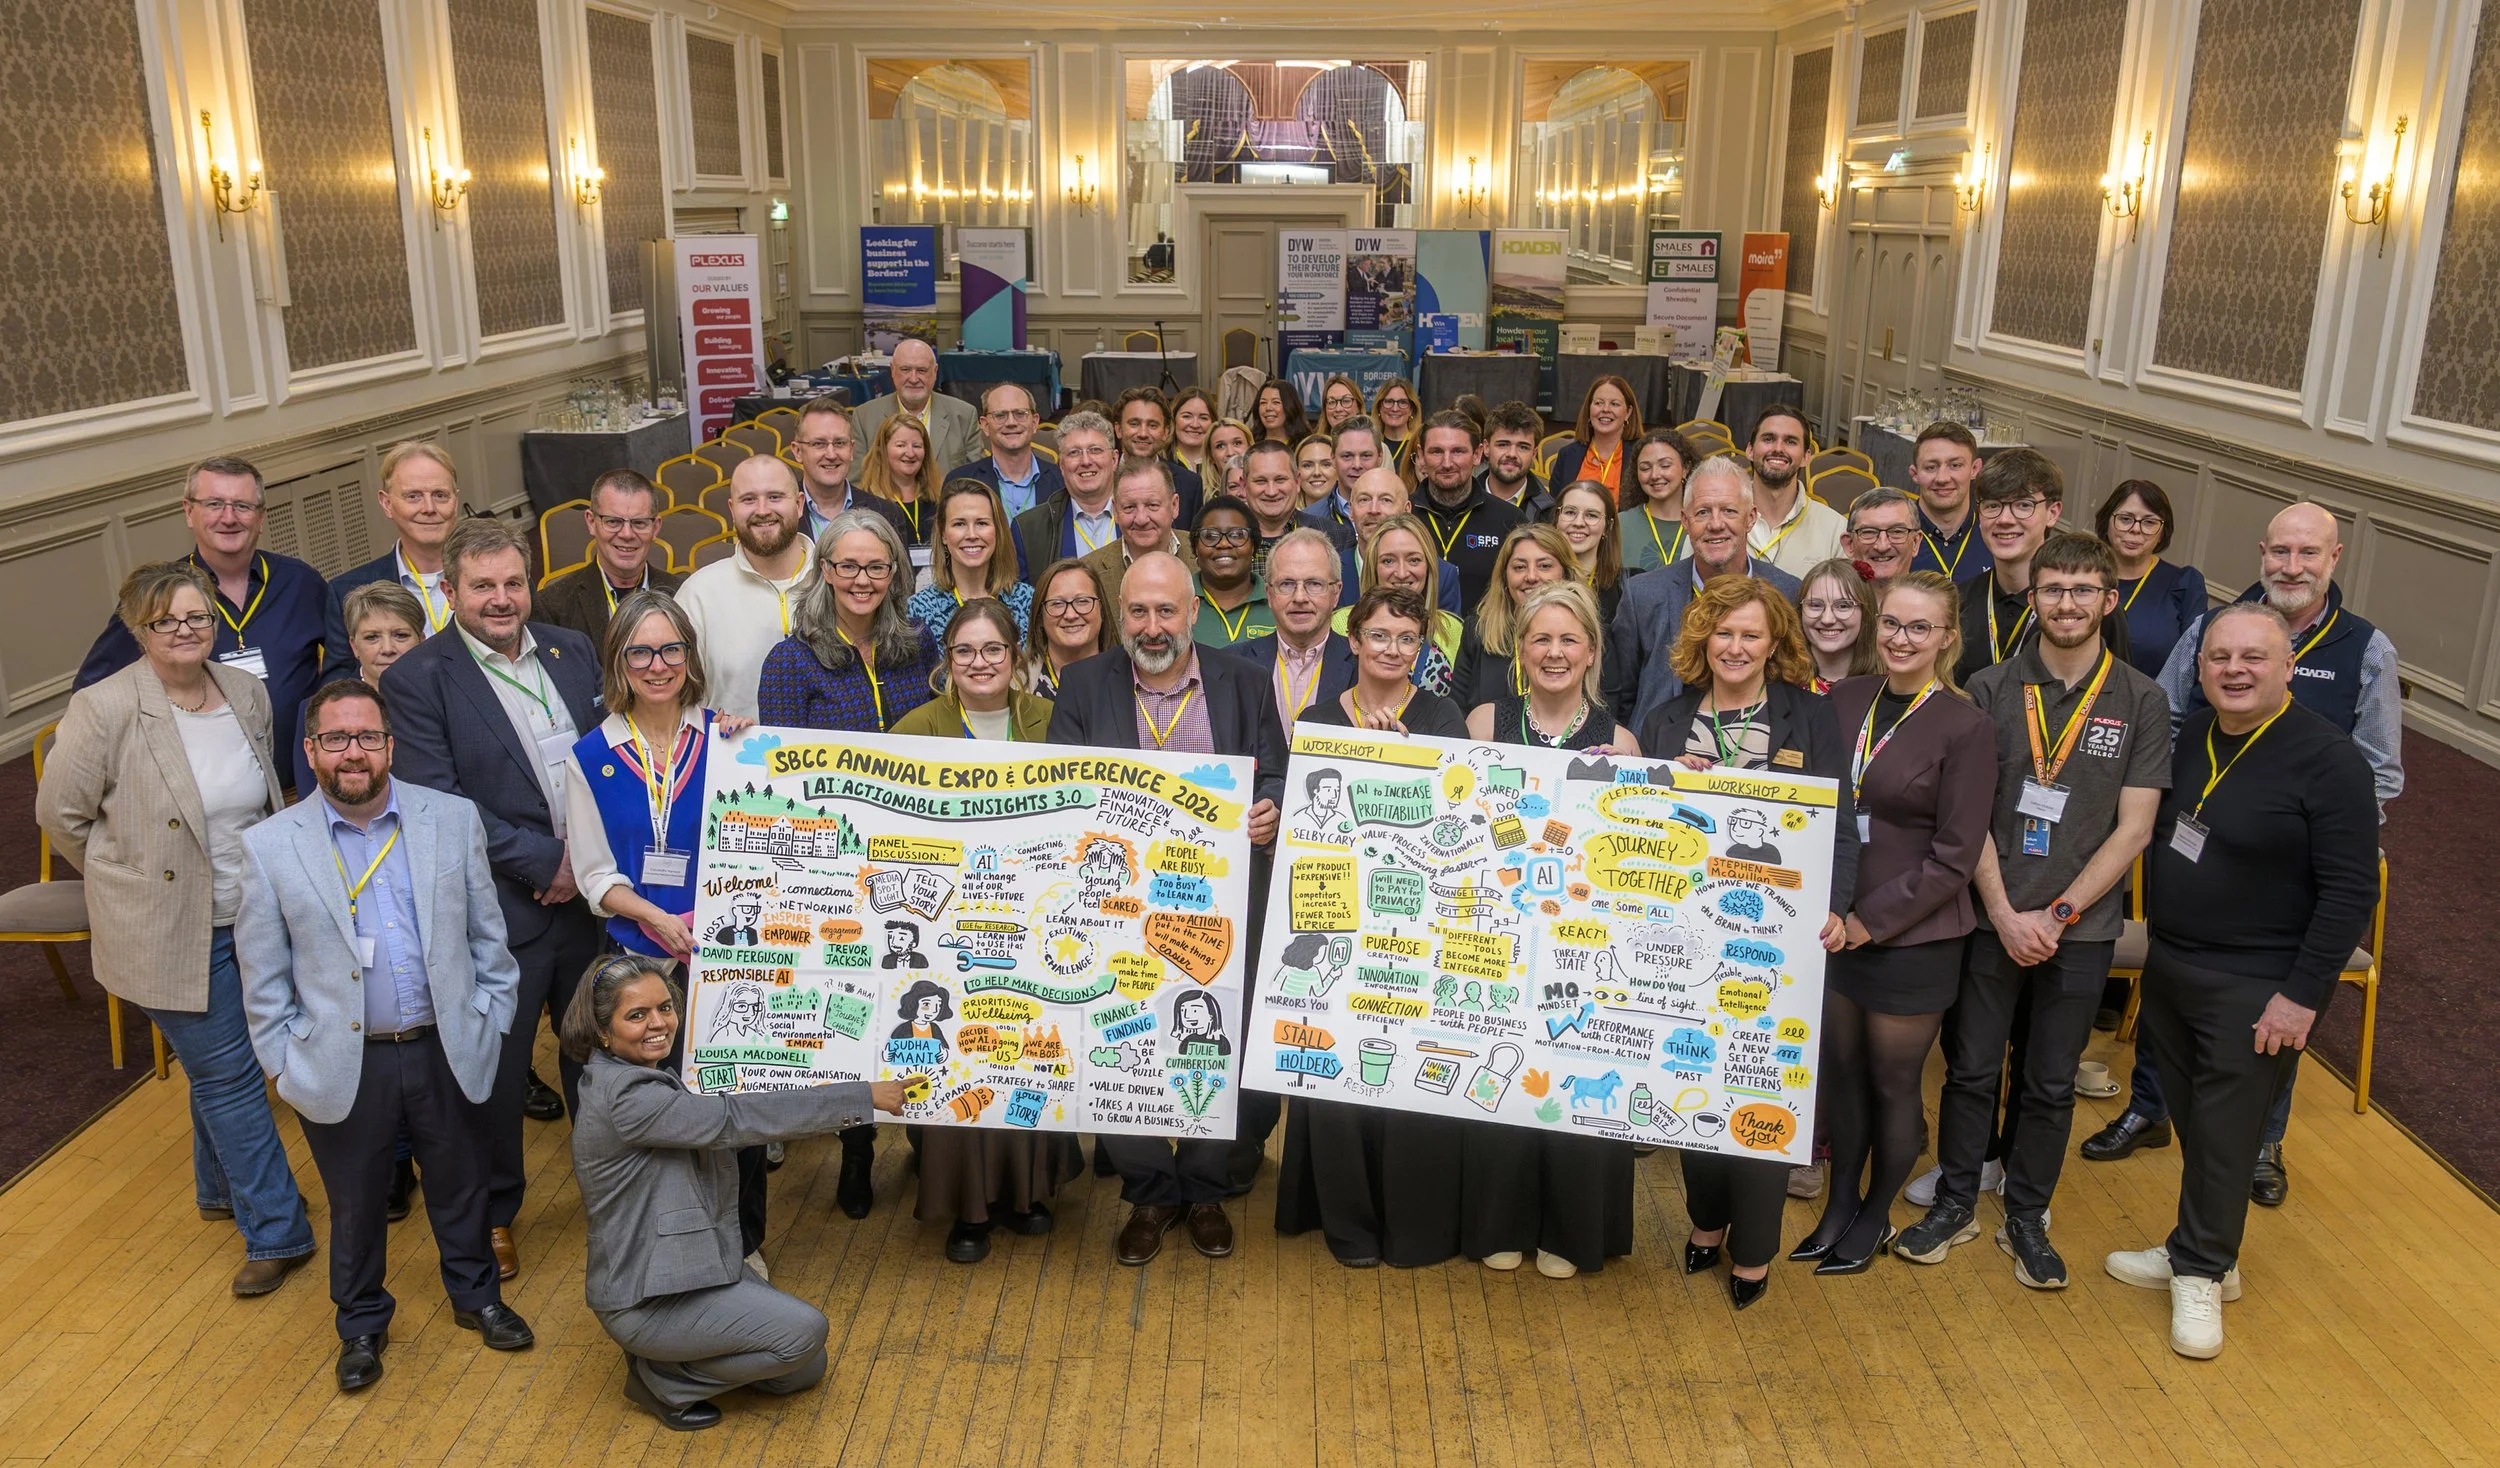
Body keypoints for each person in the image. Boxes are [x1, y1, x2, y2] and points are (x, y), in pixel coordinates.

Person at [2091, 500, 2404, 1200]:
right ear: (2262, 553)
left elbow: (2381, 766)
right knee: (2170, 989)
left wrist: (2323, 829)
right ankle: (2149, 1110)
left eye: (2308, 554)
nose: (2292, 567)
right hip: (2197, 849)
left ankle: (2262, 1143)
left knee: (2270, 1021)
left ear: (2334, 559)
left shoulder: (2366, 648)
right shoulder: (2211, 628)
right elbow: (2168, 720)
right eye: (2280, 553)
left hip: (2290, 866)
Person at [234, 678, 529, 1391]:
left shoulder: (452, 819)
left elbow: (490, 940)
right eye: (336, 739)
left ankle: (478, 1297)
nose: (354, 752)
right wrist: (284, 1061)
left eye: (367, 736)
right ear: (311, 752)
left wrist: (492, 1017)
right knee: (358, 1201)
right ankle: (361, 1322)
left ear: (391, 745)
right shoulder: (271, 847)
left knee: (462, 1186)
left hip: (446, 1043)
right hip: (342, 1062)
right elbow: (262, 977)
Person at [1894, 534, 2169, 1290]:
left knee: (2049, 1081)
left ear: (2108, 601)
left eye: (2085, 590)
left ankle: (2027, 1212)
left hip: (2083, 929)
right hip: (1991, 916)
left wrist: (2058, 913)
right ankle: (1956, 1200)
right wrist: (2008, 912)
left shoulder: (2142, 699)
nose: (2068, 603)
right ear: (2035, 597)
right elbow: (1965, 811)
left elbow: (2136, 826)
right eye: (2054, 589)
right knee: (1972, 1069)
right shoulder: (1987, 687)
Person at [2104, 604, 2376, 1359]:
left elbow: (2352, 892)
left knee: (2227, 1134)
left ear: (2288, 667)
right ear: (2201, 667)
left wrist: (2301, 995)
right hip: (2173, 963)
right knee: (2195, 1122)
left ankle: (2201, 1269)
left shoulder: (2330, 761)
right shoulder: (2190, 735)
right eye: (2220, 656)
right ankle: (2200, 1243)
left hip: (2259, 983)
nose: (2235, 670)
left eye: (2254, 657)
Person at [37, 561, 316, 1297]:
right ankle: (277, 1230)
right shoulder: (104, 707)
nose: (186, 631)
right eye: (166, 621)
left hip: (246, 909)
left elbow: (259, 800)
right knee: (230, 1077)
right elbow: (58, 815)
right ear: (138, 630)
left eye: (197, 618)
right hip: (163, 922)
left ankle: (217, 1190)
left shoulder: (245, 692)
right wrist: (121, 868)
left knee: (217, 1065)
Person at [1044, 553, 1285, 1265]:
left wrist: (1268, 806)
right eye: (1139, 612)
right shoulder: (1086, 683)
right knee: (1123, 1043)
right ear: (1122, 616)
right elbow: (1063, 780)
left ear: (1193, 612)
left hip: (1218, 905)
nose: (1153, 627)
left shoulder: (1242, 680)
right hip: (1115, 906)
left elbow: (1270, 764)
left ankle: (1205, 1187)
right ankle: (1149, 1191)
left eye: (1167, 611)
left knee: (1217, 1042)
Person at [382, 517, 603, 1283]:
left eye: (513, 583)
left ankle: (610, 1189)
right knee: (496, 1078)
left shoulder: (574, 653)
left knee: (598, 1060)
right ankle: (495, 1214)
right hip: (500, 913)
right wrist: (550, 862)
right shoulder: (417, 680)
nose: (501, 600)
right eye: (483, 587)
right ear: (450, 590)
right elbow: (439, 803)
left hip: (594, 906)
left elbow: (618, 754)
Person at [565, 955, 906, 1430]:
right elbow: (732, 1120)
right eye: (636, 1015)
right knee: (806, 1333)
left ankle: (674, 1365)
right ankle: (663, 1381)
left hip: (689, 1268)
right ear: (602, 1031)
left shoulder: (630, 1074)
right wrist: (860, 1096)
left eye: (665, 1007)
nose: (658, 1023)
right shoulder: (628, 1097)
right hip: (646, 1298)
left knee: (804, 1368)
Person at [1636, 577, 1855, 1307]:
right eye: (1722, 633)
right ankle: (1705, 1222)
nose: (1734, 647)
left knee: (1761, 1087)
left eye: (1750, 635)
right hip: (1686, 936)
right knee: (1694, 1077)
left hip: (1784, 942)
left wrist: (1837, 909)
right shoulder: (1667, 721)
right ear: (1702, 640)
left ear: (1775, 644)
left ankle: (1754, 1249)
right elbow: (1637, 821)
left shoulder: (1811, 719)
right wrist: (1673, 784)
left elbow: (1841, 828)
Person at [1791, 572, 1996, 1274]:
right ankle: (1839, 1201)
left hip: (1912, 936)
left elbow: (1954, 857)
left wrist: (1867, 923)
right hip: (1833, 926)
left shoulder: (1966, 727)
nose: (1901, 639)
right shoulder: (1845, 699)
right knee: (1841, 1074)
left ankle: (1876, 1213)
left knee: (1893, 1084)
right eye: (1891, 625)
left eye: (1919, 628)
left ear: (1946, 638)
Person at [1274, 586, 1475, 1269]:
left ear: (1421, 652)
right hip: (1337, 916)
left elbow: (1460, 822)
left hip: (1419, 923)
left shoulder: (1443, 717)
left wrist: (1408, 758)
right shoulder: (1320, 719)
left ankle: (1414, 1223)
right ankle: (1348, 1223)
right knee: (1339, 1070)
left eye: (1406, 640)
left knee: (1411, 1069)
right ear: (1352, 642)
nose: (1392, 649)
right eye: (1379, 636)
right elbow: (1308, 823)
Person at [756, 510, 938, 1218]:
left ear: (896, 574)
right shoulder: (791, 658)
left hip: (922, 856)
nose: (863, 580)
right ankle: (857, 1145)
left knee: (923, 998)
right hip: (835, 868)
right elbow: (778, 771)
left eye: (877, 566)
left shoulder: (917, 648)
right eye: (848, 566)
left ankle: (930, 1136)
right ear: (825, 571)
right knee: (856, 1011)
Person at [888, 601, 1078, 1262]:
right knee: (960, 1058)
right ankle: (967, 1209)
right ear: (947, 660)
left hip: (1034, 921)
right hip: (946, 929)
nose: (980, 663)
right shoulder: (918, 726)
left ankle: (1028, 1191)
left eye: (993, 649)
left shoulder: (1054, 723)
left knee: (1026, 1051)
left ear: (1016, 655)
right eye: (965, 651)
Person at [76, 455, 332, 767]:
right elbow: (92, 691)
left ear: (261, 517)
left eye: (242, 506)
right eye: (214, 504)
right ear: (188, 512)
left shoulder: (301, 582)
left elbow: (343, 661)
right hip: (204, 794)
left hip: (300, 782)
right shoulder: (156, 595)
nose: (228, 518)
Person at [1606, 456, 1801, 734]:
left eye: (1729, 511)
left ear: (1751, 518)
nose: (1716, 524)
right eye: (1703, 512)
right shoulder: (1643, 595)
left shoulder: (1787, 592)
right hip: (1659, 754)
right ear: (1685, 520)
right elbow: (1622, 695)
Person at [1954, 449, 2128, 682]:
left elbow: (2119, 691)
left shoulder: (2088, 607)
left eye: (2023, 505)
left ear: (2053, 513)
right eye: (1993, 506)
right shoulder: (1958, 601)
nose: (2005, 520)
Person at [676, 454, 815, 720]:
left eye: (775, 497)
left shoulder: (836, 580)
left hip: (829, 757)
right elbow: (678, 701)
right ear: (732, 509)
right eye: (749, 499)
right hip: (732, 756)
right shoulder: (698, 595)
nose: (762, 510)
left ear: (799, 504)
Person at [322, 441, 462, 662]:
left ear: (455, 501)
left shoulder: (499, 579)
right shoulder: (347, 592)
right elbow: (339, 681)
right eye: (413, 496)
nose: (429, 508)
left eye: (440, 495)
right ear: (387, 504)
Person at [295, 582, 427, 794]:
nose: (387, 649)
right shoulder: (315, 709)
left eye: (400, 635)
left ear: (422, 641)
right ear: (354, 646)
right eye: (372, 637)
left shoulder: (445, 700)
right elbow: (310, 800)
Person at [536, 469, 685, 645]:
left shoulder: (682, 596)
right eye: (613, 522)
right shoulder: (553, 605)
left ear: (656, 528)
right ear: (591, 522)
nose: (627, 534)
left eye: (639, 523)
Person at [1229, 529, 1356, 724]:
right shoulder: (1233, 664)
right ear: (1269, 594)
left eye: (1314, 584)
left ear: (1336, 593)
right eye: (1286, 584)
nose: (1299, 598)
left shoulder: (1362, 666)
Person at [1412, 410, 1526, 612]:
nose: (1447, 463)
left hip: (1484, 641)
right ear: (1421, 455)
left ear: (1477, 454)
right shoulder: (1404, 515)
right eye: (1437, 451)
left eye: (1458, 451)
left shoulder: (1510, 520)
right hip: (1412, 639)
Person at [1451, 524, 1574, 708]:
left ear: (1565, 573)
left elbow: (1606, 708)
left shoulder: (1587, 631)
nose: (1531, 576)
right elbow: (1457, 709)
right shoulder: (1478, 630)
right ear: (1505, 578)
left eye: (1544, 566)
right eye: (1519, 567)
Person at [1340, 512, 1462, 692]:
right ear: (1373, 565)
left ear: (1428, 565)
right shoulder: (1339, 624)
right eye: (1388, 561)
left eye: (1414, 560)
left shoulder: (1452, 628)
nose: (1402, 572)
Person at [2097, 479, 2207, 678]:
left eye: (2149, 522)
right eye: (2125, 519)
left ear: (2163, 532)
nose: (2136, 529)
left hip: (2151, 703)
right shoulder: (2082, 576)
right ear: (2107, 522)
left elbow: (2191, 666)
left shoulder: (2184, 584)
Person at [906, 478, 1033, 639]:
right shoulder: (919, 610)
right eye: (959, 524)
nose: (971, 535)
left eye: (981, 523)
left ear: (997, 530)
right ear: (943, 533)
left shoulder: (1026, 602)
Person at [787, 396, 914, 544]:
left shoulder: (886, 513)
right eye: (819, 444)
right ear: (797, 452)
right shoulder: (781, 514)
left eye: (840, 443)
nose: (831, 454)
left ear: (852, 449)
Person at [851, 338, 981, 475]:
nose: (913, 379)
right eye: (905, 369)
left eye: (922, 370)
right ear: (893, 371)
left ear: (935, 372)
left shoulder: (964, 415)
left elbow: (975, 481)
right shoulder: (864, 417)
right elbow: (858, 482)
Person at [1743, 405, 1847, 576]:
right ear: (1750, 450)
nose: (1778, 448)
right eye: (1768, 439)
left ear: (1806, 457)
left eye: (1790, 442)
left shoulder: (1835, 529)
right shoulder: (1718, 521)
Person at [1011, 409, 1121, 569]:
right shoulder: (1028, 529)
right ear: (1061, 465)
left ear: (1114, 459)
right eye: (1074, 452)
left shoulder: (1141, 517)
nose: (1086, 461)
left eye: (1095, 450)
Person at [1345, 466, 1463, 611]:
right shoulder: (1332, 570)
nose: (1373, 509)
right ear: (1351, 510)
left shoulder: (1442, 574)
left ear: (1407, 509)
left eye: (1386, 500)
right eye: (1364, 499)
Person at [1082, 457, 1195, 608]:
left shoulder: (1203, 556)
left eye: (1152, 505)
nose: (1141, 519)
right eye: (1129, 507)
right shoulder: (1089, 572)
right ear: (1115, 510)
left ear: (1174, 506)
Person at [948, 383, 1064, 521]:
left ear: (1034, 423)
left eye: (1020, 414)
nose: (1011, 422)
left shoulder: (1062, 480)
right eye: (1000, 415)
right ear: (985, 425)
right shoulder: (960, 481)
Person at [1189, 496, 1276, 650]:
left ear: (1254, 547)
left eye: (1237, 535)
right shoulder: (1179, 603)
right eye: (1210, 536)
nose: (1224, 544)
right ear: (1195, 547)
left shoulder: (1278, 602)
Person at [1023, 557, 1112, 699]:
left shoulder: (1131, 676)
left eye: (1082, 601)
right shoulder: (1017, 682)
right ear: (1040, 617)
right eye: (1057, 604)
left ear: (1101, 609)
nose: (1071, 615)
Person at [1114, 387, 1205, 523]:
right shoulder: (1101, 479)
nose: (1143, 433)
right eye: (1134, 424)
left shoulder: (1189, 485)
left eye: (1152, 425)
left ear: (1165, 432)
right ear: (1118, 429)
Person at [854, 413, 938, 557]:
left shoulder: (938, 500)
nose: (910, 453)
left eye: (917, 445)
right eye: (901, 445)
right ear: (883, 450)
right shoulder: (867, 505)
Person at [1620, 428, 1702, 573]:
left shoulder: (1704, 522)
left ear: (1686, 468)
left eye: (1665, 466)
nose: (1655, 475)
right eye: (1645, 468)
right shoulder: (1620, 524)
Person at [1907, 422, 1983, 578]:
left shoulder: (1994, 533)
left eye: (1955, 465)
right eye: (1931, 467)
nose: (1942, 478)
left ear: (1974, 469)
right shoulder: (1894, 536)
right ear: (1914, 474)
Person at [1546, 377, 1642, 498]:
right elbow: (1555, 507)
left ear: (1628, 412)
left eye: (1614, 404)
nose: (1605, 409)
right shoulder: (1567, 455)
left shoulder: (1641, 454)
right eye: (1598, 403)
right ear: (1589, 409)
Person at [1551, 479, 1626, 625]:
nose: (1578, 523)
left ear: (1607, 527)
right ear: (1556, 519)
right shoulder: (1536, 580)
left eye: (1591, 515)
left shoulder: (1626, 589)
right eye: (1570, 512)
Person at [1798, 557, 1880, 691]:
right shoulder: (1779, 682)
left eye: (1843, 606)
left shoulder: (1887, 685)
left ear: (1866, 612)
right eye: (1815, 605)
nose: (1827, 619)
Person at [1478, 401, 1553, 519]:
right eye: (1503, 445)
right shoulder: (1462, 501)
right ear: (1486, 448)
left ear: (1534, 453)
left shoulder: (1549, 512)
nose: (1512, 454)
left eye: (1523, 447)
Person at [1846, 486, 1922, 585]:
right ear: (1849, 544)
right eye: (1869, 532)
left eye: (1896, 532)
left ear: (1915, 542)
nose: (1882, 547)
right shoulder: (1828, 599)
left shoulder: (1936, 600)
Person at [1369, 378, 1422, 473]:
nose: (1395, 408)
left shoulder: (1420, 445)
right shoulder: (1370, 443)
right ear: (1379, 407)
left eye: (1402, 402)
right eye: (1389, 401)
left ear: (1411, 409)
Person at [1293, 433, 1340, 518]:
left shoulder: (1353, 514)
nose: (1316, 473)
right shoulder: (1286, 517)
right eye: (1307, 465)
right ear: (1297, 473)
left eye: (1326, 464)